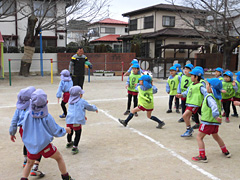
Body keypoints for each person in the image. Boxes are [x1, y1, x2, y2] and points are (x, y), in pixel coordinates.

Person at [20, 89, 74, 180]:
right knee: (59, 158)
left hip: (32, 146)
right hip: (45, 146)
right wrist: (65, 130)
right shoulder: (47, 116)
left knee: (29, 163)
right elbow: (55, 130)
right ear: (47, 102)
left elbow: (23, 128)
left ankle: (23, 178)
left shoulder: (27, 114)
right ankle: (65, 177)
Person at [192, 78, 231, 162]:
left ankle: (202, 156)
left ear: (211, 87)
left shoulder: (210, 97)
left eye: (207, 84)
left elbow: (214, 107)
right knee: (216, 136)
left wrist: (216, 116)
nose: (206, 86)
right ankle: (225, 151)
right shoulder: (217, 97)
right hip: (214, 123)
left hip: (208, 122)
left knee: (199, 137)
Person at [9, 86, 45, 177]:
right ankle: (35, 167)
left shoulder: (19, 108)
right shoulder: (33, 106)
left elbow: (14, 121)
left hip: (22, 129)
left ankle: (26, 161)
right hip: (32, 128)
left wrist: (12, 133)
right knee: (39, 145)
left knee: (27, 143)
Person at [65, 86, 98, 154]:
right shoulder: (82, 101)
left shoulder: (70, 100)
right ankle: (75, 147)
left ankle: (69, 142)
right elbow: (89, 107)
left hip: (69, 119)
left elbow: (75, 110)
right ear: (79, 94)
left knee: (70, 132)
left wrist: (83, 116)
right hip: (76, 120)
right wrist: (95, 108)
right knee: (78, 133)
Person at [176, 68, 208, 137]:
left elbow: (206, 94)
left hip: (195, 104)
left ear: (196, 77)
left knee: (185, 115)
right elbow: (187, 92)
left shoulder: (200, 86)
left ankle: (189, 130)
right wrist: (181, 95)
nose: (190, 77)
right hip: (190, 103)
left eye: (192, 76)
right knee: (186, 117)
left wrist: (207, 101)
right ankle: (189, 129)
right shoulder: (191, 84)